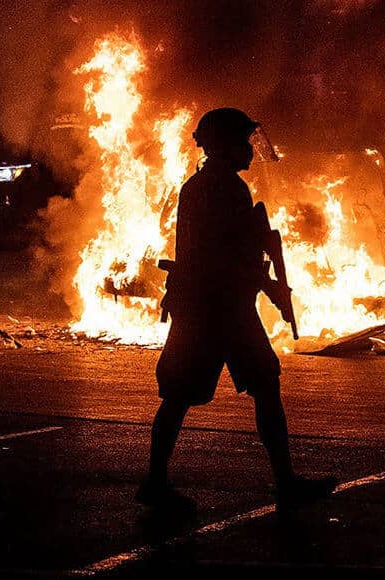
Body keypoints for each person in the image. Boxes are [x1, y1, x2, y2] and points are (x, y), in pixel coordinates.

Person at [137, 108, 337, 512]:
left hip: (209, 307)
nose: (249, 150)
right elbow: (226, 254)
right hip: (217, 309)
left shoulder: (203, 185)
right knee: (240, 387)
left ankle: (157, 482)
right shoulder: (223, 189)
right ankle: (283, 483)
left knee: (230, 388)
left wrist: (265, 284)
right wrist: (269, 287)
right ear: (224, 145)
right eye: (242, 142)